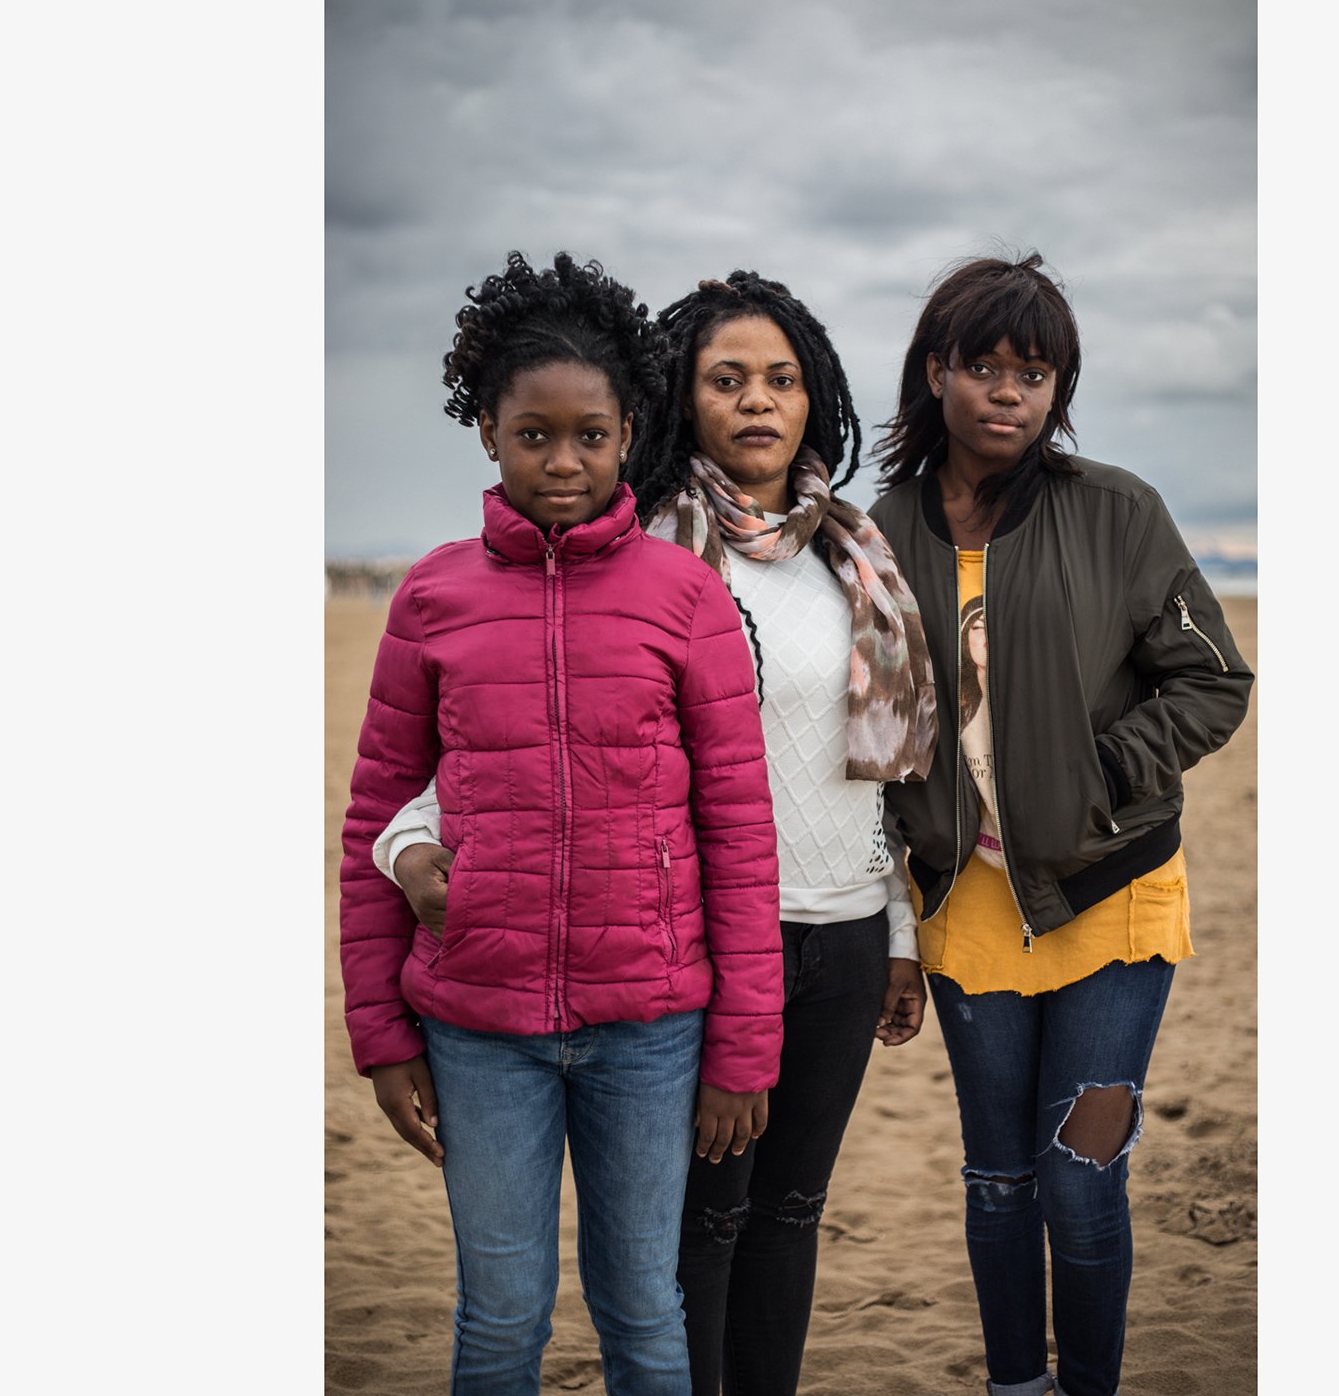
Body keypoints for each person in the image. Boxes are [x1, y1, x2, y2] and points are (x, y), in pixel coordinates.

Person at [375, 270, 939, 1396]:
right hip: (672, 952)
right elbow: (474, 766)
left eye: (782, 379)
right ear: (679, 402)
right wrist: (410, 860)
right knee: (670, 1244)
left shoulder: (854, 558)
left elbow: (856, 784)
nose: (760, 402)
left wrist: (898, 925)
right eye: (727, 380)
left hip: (807, 942)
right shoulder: (664, 558)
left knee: (776, 1220)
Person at [338, 251, 783, 1396]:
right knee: (499, 1312)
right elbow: (374, 825)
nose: (564, 460)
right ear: (487, 429)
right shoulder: (431, 597)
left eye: (590, 434)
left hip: (652, 1030)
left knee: (643, 1304)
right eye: (534, 434)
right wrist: (383, 1034)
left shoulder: (685, 596)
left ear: (629, 429)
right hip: (477, 1032)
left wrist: (741, 1045)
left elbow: (738, 831)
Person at [867, 253, 1253, 1396]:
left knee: (1081, 1179)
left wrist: (1102, 772)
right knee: (998, 1179)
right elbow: (877, 746)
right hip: (965, 909)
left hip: (1112, 894)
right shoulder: (878, 532)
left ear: (1059, 389)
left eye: (1033, 372)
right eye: (981, 365)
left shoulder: (1117, 511)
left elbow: (1213, 680)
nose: (1006, 392)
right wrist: (894, 925)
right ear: (935, 372)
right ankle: (1013, 1385)